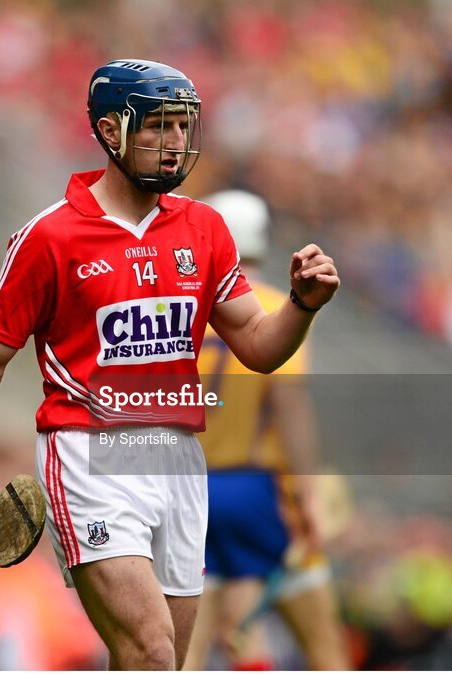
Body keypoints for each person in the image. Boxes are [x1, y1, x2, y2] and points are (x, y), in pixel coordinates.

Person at [0, 59, 340, 670]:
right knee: (152, 649)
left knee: (157, 663)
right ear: (110, 132)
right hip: (88, 455)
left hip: (181, 462)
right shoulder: (49, 237)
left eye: (183, 126)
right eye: (158, 126)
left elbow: (259, 346)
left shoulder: (205, 229)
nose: (177, 143)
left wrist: (301, 306)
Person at [184, 190, 349, 670]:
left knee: (184, 653)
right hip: (260, 492)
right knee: (324, 649)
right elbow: (289, 401)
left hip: (188, 490)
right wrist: (309, 492)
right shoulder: (276, 306)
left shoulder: (184, 310)